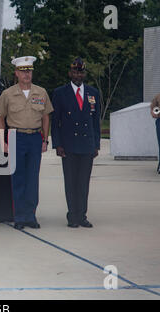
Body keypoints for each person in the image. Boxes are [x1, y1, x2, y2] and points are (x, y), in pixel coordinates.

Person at [0, 56, 53, 230]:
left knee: (32, 178)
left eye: (29, 71)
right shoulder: (8, 94)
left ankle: (31, 216)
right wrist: (2, 140)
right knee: (18, 178)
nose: (27, 74)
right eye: (23, 71)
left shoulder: (41, 92)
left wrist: (45, 139)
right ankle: (19, 217)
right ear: (16, 73)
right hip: (15, 137)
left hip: (35, 138)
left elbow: (46, 117)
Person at [51, 57, 101, 228]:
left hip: (87, 144)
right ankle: (72, 215)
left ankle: (82, 215)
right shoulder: (60, 93)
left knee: (84, 182)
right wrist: (57, 144)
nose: (78, 75)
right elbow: (55, 121)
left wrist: (96, 145)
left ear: (84, 73)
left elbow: (96, 122)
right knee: (71, 182)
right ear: (69, 73)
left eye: (80, 72)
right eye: (74, 71)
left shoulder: (93, 93)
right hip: (69, 145)